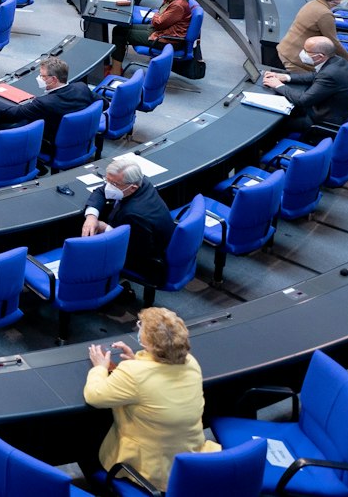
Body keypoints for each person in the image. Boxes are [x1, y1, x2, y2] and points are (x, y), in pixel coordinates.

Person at [83, 308, 211, 493]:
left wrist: (100, 367)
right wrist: (136, 360)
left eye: (140, 325)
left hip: (152, 470)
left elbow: (94, 396)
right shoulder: (190, 362)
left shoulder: (134, 373)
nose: (139, 328)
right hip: (191, 459)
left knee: (87, 444)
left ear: (147, 341)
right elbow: (157, 380)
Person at [82, 155, 177, 287]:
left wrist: (106, 229)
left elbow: (134, 249)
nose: (108, 186)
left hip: (147, 260)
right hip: (149, 238)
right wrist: (91, 216)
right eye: (107, 180)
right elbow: (101, 191)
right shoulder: (142, 183)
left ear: (132, 187)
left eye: (114, 184)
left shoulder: (133, 214)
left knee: (87, 252)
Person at [0, 54, 97, 146]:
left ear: (53, 79)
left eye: (42, 76)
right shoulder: (82, 87)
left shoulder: (45, 102)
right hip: (79, 136)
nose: (39, 78)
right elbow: (103, 102)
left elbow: (13, 112)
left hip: (50, 140)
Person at [262, 36, 348, 134]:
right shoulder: (337, 61)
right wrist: (286, 77)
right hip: (335, 109)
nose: (302, 53)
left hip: (326, 121)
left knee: (275, 124)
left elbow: (303, 100)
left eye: (306, 51)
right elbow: (315, 76)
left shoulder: (330, 74)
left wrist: (278, 85)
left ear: (320, 56)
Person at [281, 0, 348, 75]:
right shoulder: (325, 14)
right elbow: (333, 43)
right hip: (295, 60)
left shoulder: (312, 3)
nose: (345, 0)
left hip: (287, 50)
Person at [126, 0, 193, 49]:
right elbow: (160, 17)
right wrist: (158, 15)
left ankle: (117, 56)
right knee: (122, 28)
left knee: (121, 33)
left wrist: (156, 15)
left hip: (167, 39)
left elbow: (158, 23)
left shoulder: (178, 5)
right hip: (160, 30)